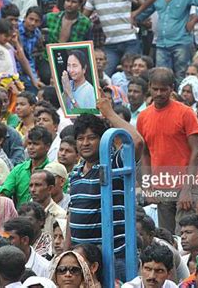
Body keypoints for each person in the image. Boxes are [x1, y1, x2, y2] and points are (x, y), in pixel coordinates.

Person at [66, 91, 143, 281]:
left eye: (91, 137)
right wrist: (67, 252)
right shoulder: (75, 172)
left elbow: (136, 141)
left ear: (103, 140)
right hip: (80, 259)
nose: (85, 143)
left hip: (112, 257)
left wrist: (109, 114)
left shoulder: (113, 163)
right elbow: (72, 212)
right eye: (80, 138)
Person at [137, 68, 198, 235]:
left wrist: (187, 189)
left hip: (185, 183)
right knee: (166, 236)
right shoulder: (143, 117)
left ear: (172, 88)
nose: (159, 93)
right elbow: (145, 154)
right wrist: (148, 186)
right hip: (161, 185)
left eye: (164, 89)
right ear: (149, 87)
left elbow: (197, 152)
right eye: (155, 89)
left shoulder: (185, 113)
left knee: (186, 236)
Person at [83, 0, 155, 75]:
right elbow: (84, 17)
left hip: (129, 41)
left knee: (133, 75)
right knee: (104, 74)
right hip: (110, 44)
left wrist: (135, 14)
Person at [0, 127, 51, 208]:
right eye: (29, 143)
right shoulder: (18, 169)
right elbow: (5, 191)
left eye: (36, 144)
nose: (31, 147)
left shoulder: (52, 170)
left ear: (47, 147)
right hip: (20, 217)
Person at [29, 170, 67, 236]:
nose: (32, 190)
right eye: (31, 185)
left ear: (50, 188)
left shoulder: (60, 216)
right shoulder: (24, 213)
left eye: (38, 185)